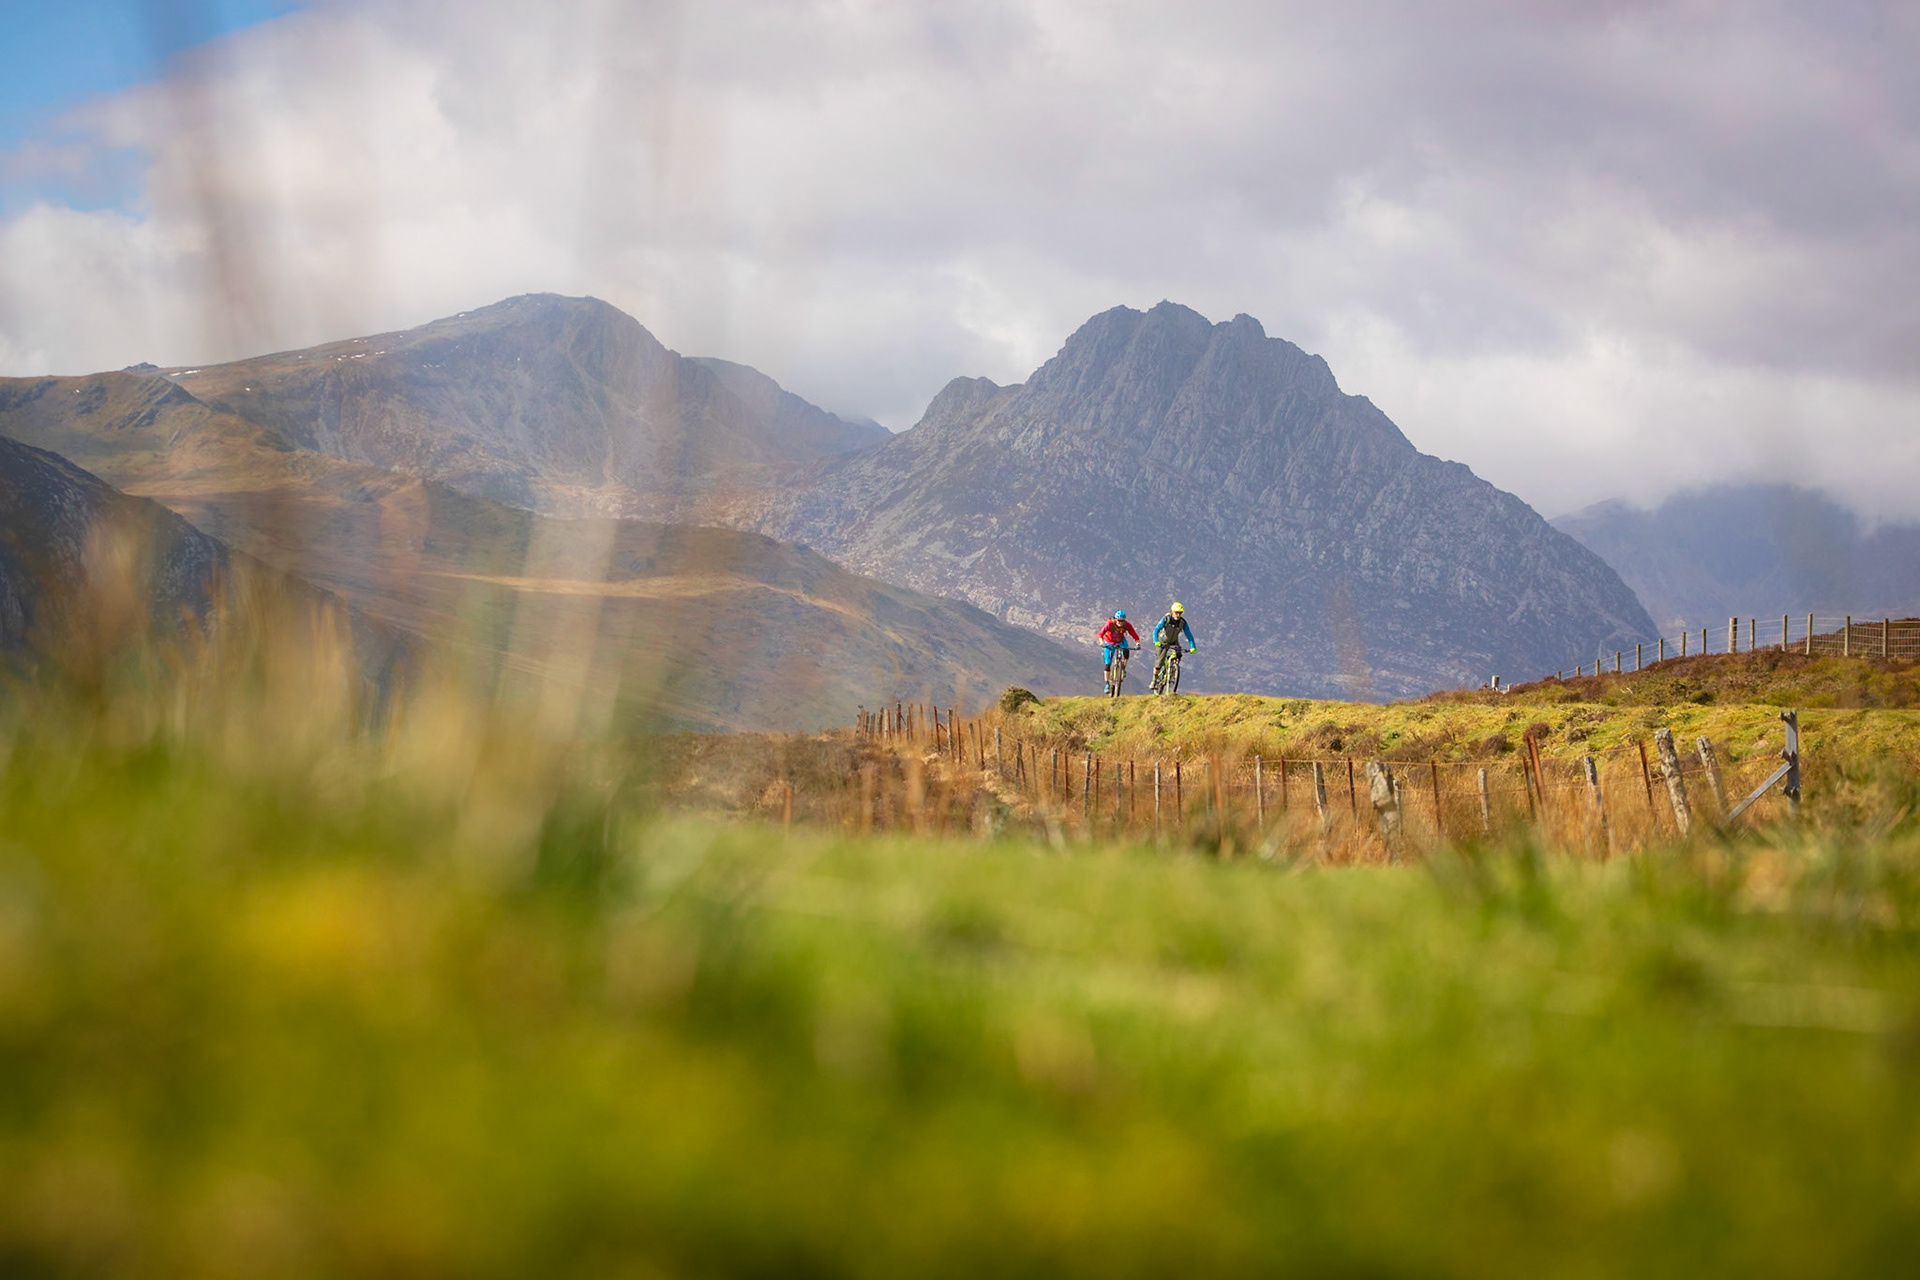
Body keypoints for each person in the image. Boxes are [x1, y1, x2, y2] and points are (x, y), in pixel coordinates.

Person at [1152, 602, 1197, 689]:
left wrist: (1193, 647)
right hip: (1162, 641)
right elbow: (1156, 630)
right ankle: (1154, 680)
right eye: (1176, 612)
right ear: (1172, 612)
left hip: (1173, 641)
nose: (1178, 615)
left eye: (1180, 613)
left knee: (1179, 654)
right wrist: (1156, 641)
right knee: (1159, 663)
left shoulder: (1182, 622)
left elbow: (1189, 635)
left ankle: (1173, 669)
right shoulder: (1166, 619)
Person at [1097, 609, 1140, 693]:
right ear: (1115, 620)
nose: (1120, 623)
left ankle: (1123, 668)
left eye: (1122, 621)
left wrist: (1137, 643)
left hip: (1121, 641)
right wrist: (1102, 642)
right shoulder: (1109, 624)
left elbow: (1134, 635)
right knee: (1107, 664)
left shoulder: (1127, 625)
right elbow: (1100, 634)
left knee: (1126, 652)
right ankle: (1107, 684)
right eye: (1119, 621)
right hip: (1109, 642)